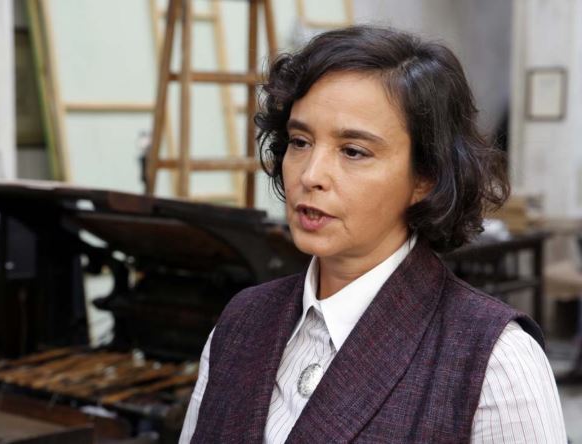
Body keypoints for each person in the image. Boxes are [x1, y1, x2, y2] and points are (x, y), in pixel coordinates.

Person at [180, 26, 567, 443]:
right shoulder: (243, 322)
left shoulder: (495, 361)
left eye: (353, 151)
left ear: (426, 177)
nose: (310, 176)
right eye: (300, 141)